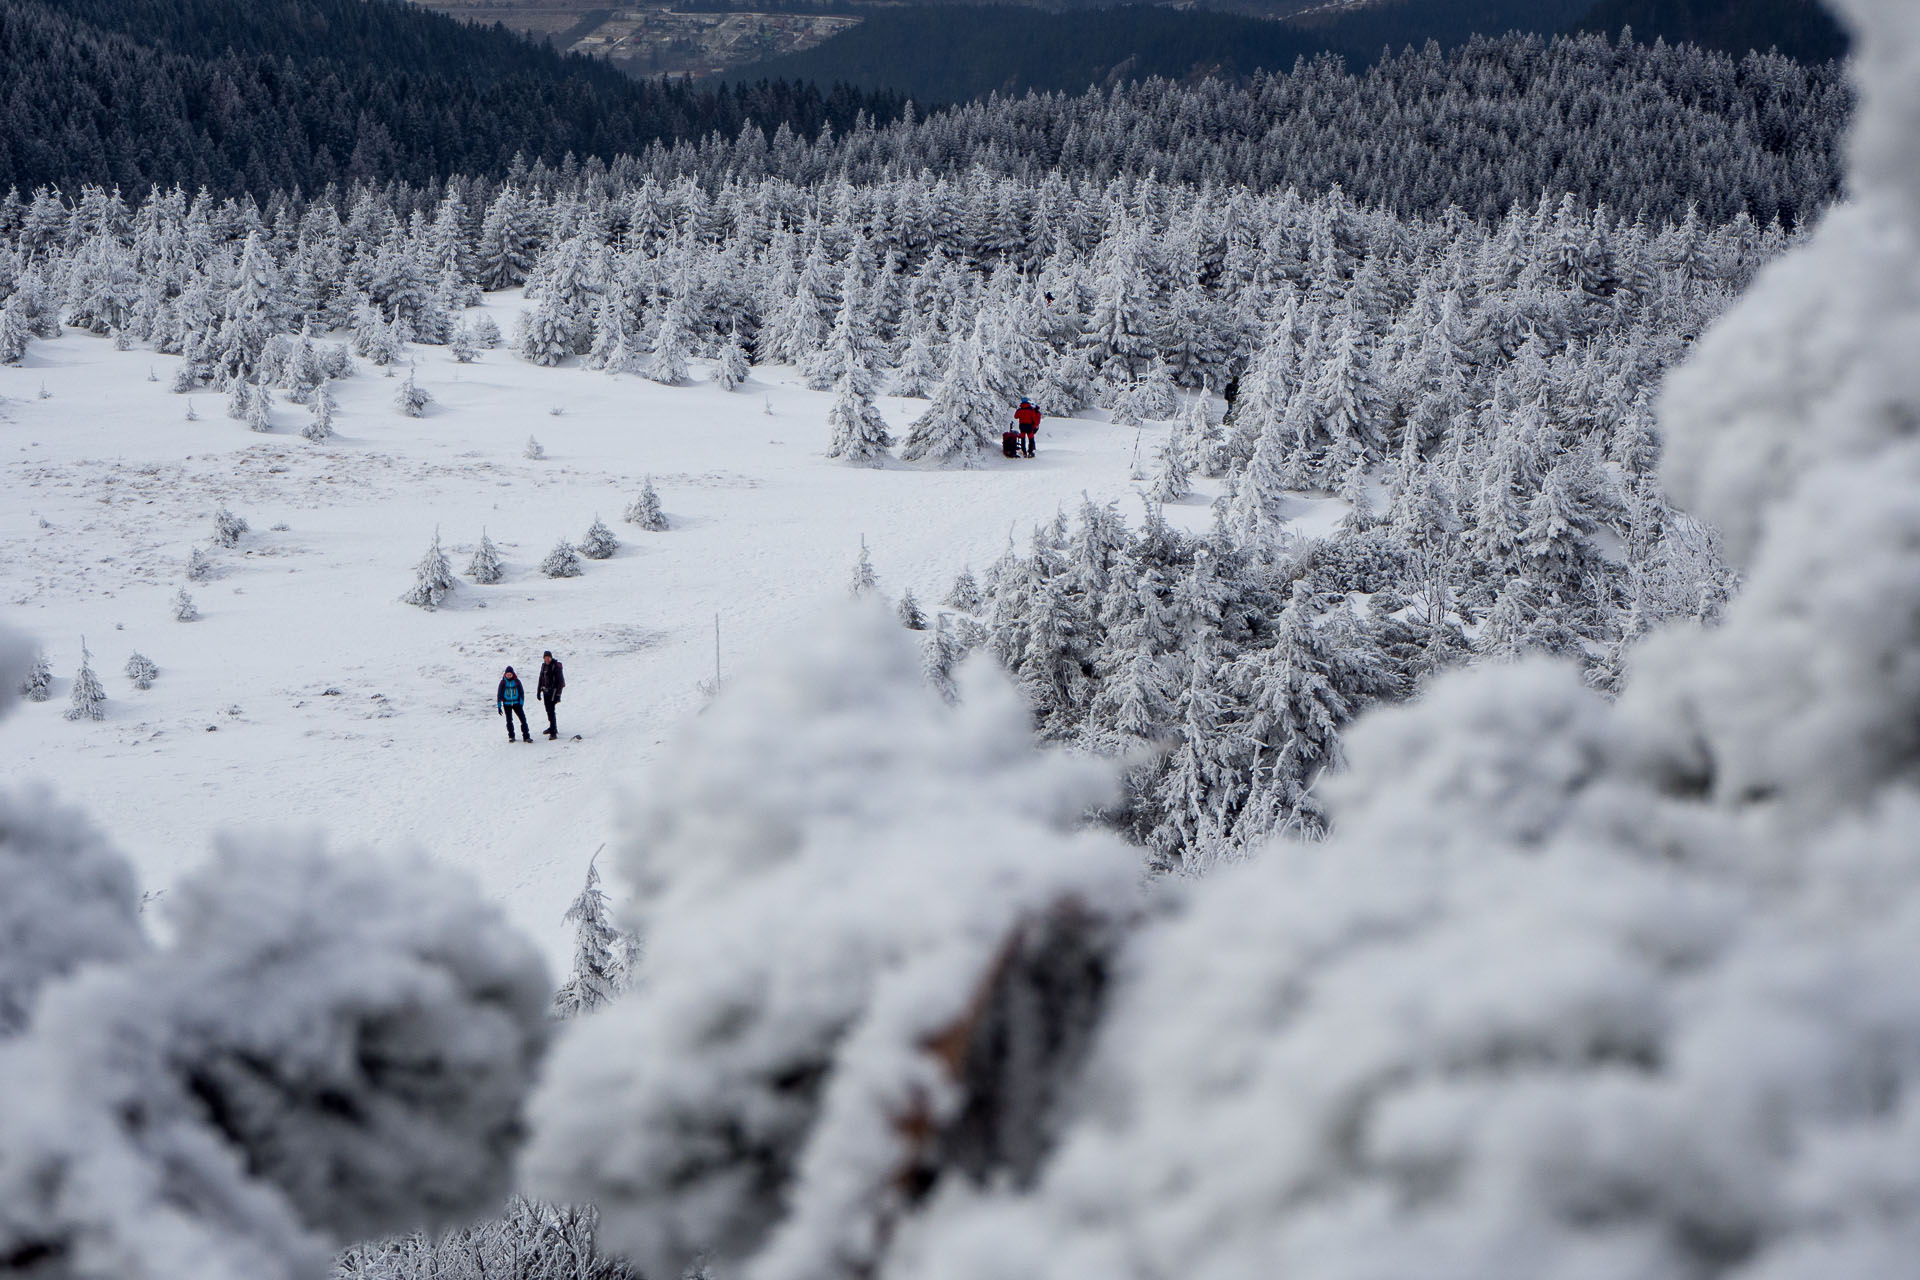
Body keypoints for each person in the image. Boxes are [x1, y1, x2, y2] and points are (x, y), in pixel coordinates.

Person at [537, 650, 566, 739]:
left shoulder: (555, 666)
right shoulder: (543, 666)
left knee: (551, 710)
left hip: (553, 692)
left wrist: (558, 695)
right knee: (548, 710)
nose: (547, 659)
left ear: (551, 657)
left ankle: (553, 732)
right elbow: (541, 678)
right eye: (545, 658)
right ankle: (552, 727)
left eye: (548, 657)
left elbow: (560, 681)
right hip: (545, 692)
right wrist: (538, 691)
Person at [498, 666, 531, 743]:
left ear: (513, 674)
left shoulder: (517, 682)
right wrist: (499, 706)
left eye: (510, 674)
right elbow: (499, 695)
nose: (509, 676)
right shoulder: (503, 682)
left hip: (517, 703)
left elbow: (521, 693)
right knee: (509, 720)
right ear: (505, 675)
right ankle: (511, 736)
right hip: (507, 704)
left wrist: (521, 703)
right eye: (507, 674)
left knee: (523, 719)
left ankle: (526, 736)